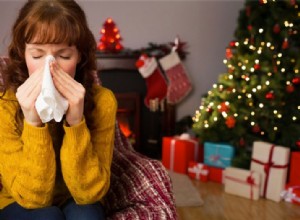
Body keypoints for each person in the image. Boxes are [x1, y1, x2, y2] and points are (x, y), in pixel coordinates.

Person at [0, 0, 117, 219]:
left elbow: (89, 193)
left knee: (87, 214)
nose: (49, 68)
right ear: (22, 55)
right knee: (48, 216)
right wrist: (33, 123)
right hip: (20, 201)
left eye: (64, 56)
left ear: (80, 55)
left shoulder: (103, 102)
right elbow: (33, 199)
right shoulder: (6, 105)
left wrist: (76, 122)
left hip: (76, 197)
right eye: (37, 56)